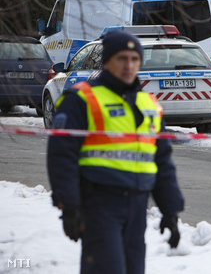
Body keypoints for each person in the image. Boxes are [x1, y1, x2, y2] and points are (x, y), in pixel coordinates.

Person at [47, 30, 185, 274]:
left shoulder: (149, 105)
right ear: (108, 61)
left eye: (134, 59)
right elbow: (61, 157)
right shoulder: (81, 99)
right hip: (99, 206)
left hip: (137, 207)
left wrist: (170, 211)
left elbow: (161, 161)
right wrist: (68, 205)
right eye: (122, 58)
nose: (129, 65)